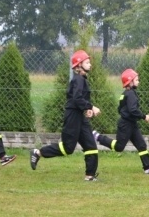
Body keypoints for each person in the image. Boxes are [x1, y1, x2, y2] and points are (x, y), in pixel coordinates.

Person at [29, 50, 101, 181]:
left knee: (90, 145)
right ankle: (38, 152)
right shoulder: (78, 79)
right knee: (68, 148)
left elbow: (80, 99)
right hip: (73, 117)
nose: (90, 64)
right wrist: (91, 107)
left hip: (80, 116)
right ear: (79, 65)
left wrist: (87, 108)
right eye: (87, 62)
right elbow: (77, 97)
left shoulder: (82, 79)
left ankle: (90, 175)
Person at [93, 69, 149, 175]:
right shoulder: (131, 94)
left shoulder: (125, 94)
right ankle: (97, 136)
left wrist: (128, 116)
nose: (138, 81)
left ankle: (148, 168)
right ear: (130, 82)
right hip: (126, 125)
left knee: (141, 145)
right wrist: (144, 117)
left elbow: (119, 109)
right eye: (137, 79)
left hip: (131, 124)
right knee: (119, 147)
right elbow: (133, 109)